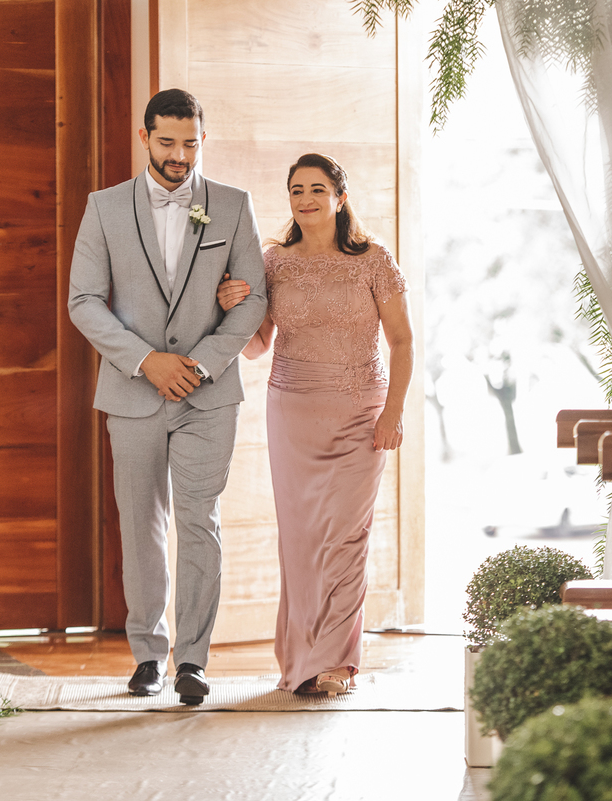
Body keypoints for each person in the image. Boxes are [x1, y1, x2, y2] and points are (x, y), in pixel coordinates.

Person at [67, 89, 267, 705]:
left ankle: (193, 661)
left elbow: (254, 299)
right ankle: (148, 653)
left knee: (198, 523)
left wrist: (200, 365)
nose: (180, 155)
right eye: (167, 142)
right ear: (145, 137)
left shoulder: (233, 206)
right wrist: (146, 360)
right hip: (133, 392)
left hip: (208, 397)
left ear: (202, 139)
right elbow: (84, 301)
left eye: (190, 143)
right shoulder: (104, 208)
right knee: (142, 524)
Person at [216, 153, 414, 694]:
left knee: (348, 536)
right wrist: (230, 304)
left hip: (360, 413)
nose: (305, 199)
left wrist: (392, 410)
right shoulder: (273, 261)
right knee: (301, 540)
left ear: (340, 197)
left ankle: (338, 662)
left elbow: (402, 340)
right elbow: (257, 347)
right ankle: (302, 662)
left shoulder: (374, 259)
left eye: (317, 189)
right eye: (296, 190)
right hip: (292, 413)